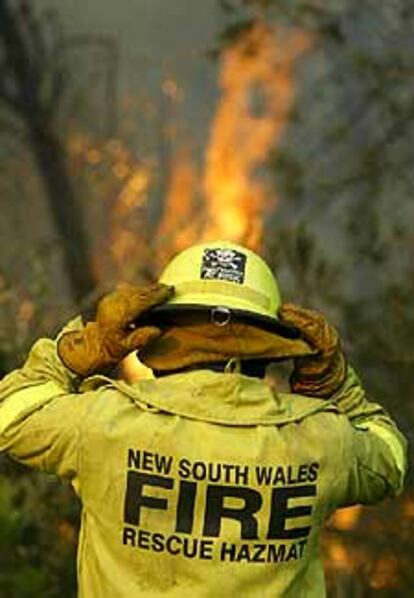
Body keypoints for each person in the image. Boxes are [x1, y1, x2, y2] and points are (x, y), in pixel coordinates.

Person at [0, 241, 407, 597]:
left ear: (158, 337)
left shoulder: (102, 425)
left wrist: (82, 348)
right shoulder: (322, 441)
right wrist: (336, 384)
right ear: (266, 351)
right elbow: (390, 456)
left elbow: (12, 413)